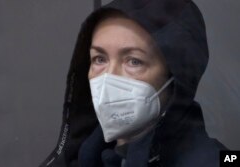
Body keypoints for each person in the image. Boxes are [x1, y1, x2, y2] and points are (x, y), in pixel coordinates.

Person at [40, 0, 227, 167]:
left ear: (176, 77)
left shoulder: (216, 160)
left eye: (134, 61)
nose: (108, 77)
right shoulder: (76, 157)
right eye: (99, 59)